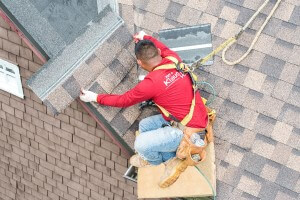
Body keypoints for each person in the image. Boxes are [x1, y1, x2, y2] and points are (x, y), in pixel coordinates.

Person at [80, 31, 208, 187]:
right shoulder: (173, 59)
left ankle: (164, 162)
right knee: (144, 126)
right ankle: (169, 153)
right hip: (197, 117)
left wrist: (95, 97)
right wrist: (145, 37)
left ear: (139, 63)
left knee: (140, 144)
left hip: (190, 132)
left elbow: (124, 100)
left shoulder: (151, 84)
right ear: (159, 53)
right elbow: (160, 47)